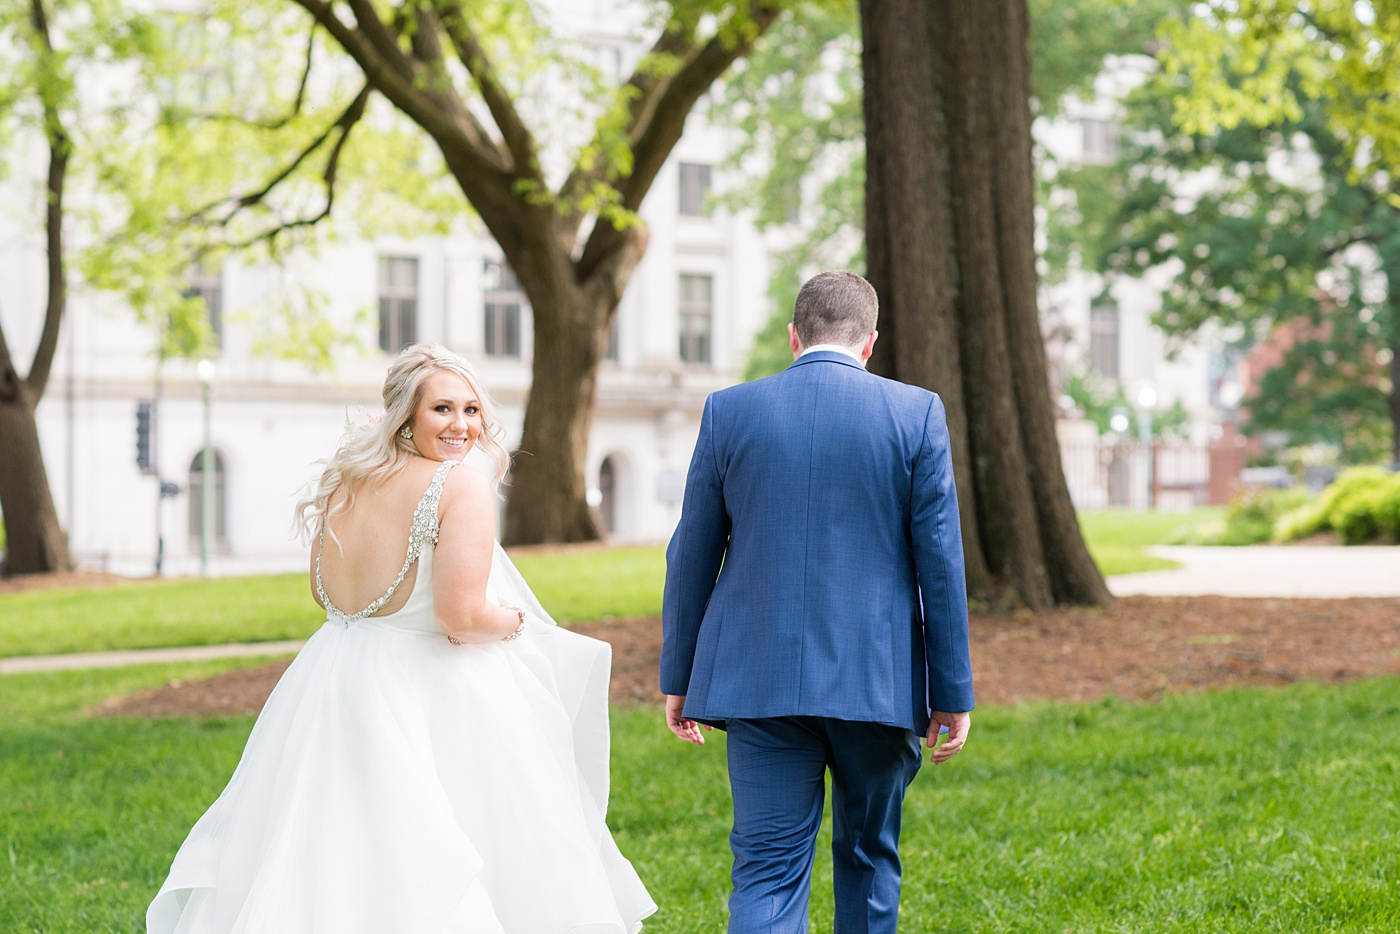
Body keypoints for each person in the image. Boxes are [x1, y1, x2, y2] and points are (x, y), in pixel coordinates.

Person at [148, 343, 655, 934]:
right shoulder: (457, 486)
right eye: (442, 409)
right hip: (431, 688)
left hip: (335, 677)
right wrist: (514, 620)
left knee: (335, 853)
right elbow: (461, 617)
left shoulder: (348, 483)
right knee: (458, 850)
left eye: (471, 410)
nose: (461, 425)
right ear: (404, 416)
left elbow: (325, 594)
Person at [660, 271, 973, 933]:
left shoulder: (729, 411)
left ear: (793, 335)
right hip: (879, 680)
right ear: (870, 343)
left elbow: (692, 552)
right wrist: (952, 690)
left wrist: (679, 677)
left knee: (767, 871)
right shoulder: (916, 413)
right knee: (868, 860)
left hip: (758, 679)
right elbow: (940, 562)